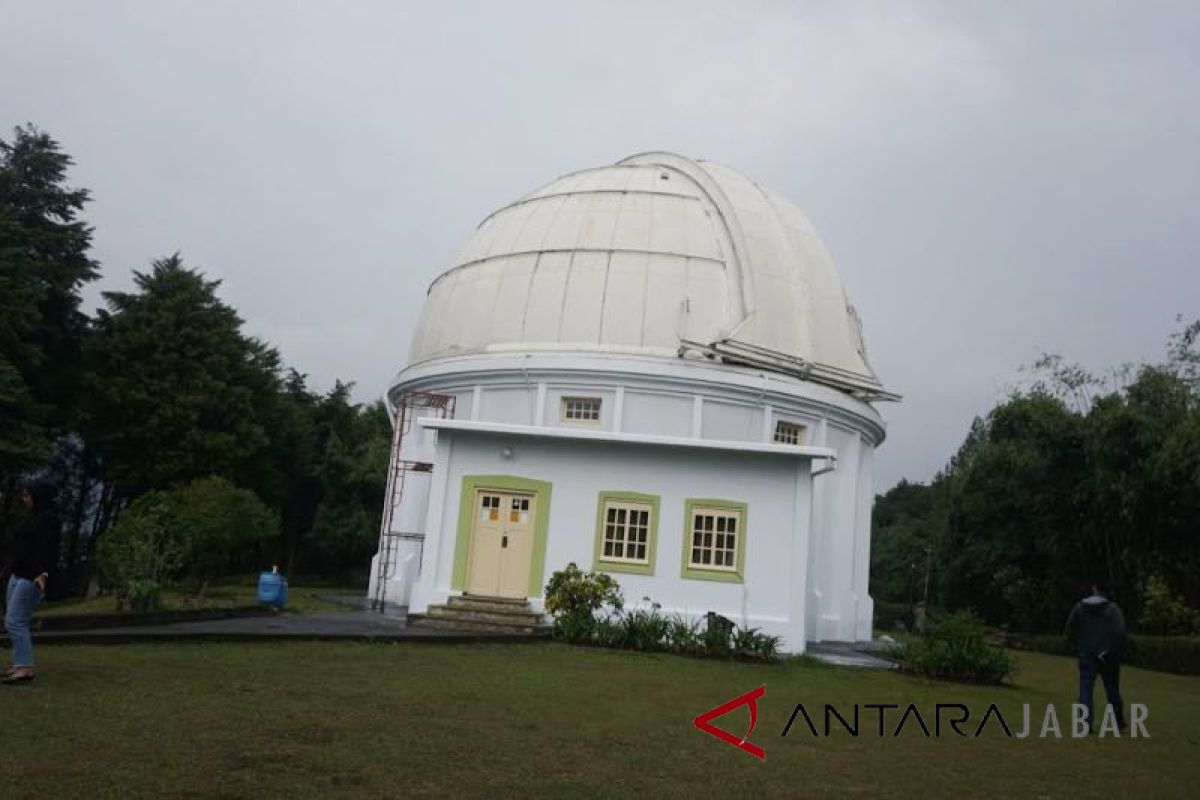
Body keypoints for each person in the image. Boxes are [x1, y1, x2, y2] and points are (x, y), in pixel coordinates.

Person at [4, 478, 60, 685]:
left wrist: (43, 573)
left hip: (32, 577)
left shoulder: (49, 519)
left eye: (28, 495)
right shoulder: (31, 518)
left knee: (15, 620)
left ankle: (25, 667)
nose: (24, 499)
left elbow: (48, 548)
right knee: (14, 620)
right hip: (17, 574)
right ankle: (18, 662)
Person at [1065, 582, 1127, 731]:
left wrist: (1078, 645)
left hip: (1086, 653)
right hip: (1108, 656)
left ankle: (1086, 722)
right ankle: (1118, 721)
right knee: (1112, 689)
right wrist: (1113, 649)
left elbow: (1069, 629)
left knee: (1085, 690)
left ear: (1094, 589)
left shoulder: (1080, 608)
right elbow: (1120, 632)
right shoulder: (1112, 609)